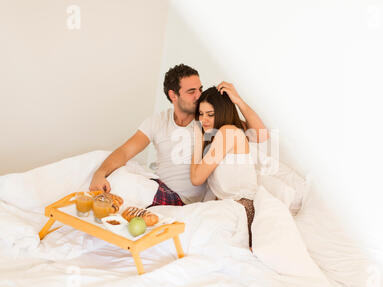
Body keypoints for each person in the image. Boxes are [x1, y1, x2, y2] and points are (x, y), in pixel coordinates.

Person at [90, 64, 268, 207]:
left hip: (182, 201)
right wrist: (100, 173)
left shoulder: (209, 121)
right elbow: (125, 151)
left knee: (123, 181)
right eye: (191, 92)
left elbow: (260, 135)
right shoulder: (158, 121)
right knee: (109, 167)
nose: (199, 95)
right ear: (173, 95)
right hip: (160, 188)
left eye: (200, 89)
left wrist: (238, 100)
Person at [191, 86, 263, 249]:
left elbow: (196, 179)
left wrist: (198, 139)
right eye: (201, 114)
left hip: (240, 209)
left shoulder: (228, 132)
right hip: (236, 208)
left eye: (210, 114)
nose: (204, 120)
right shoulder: (226, 133)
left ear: (222, 112)